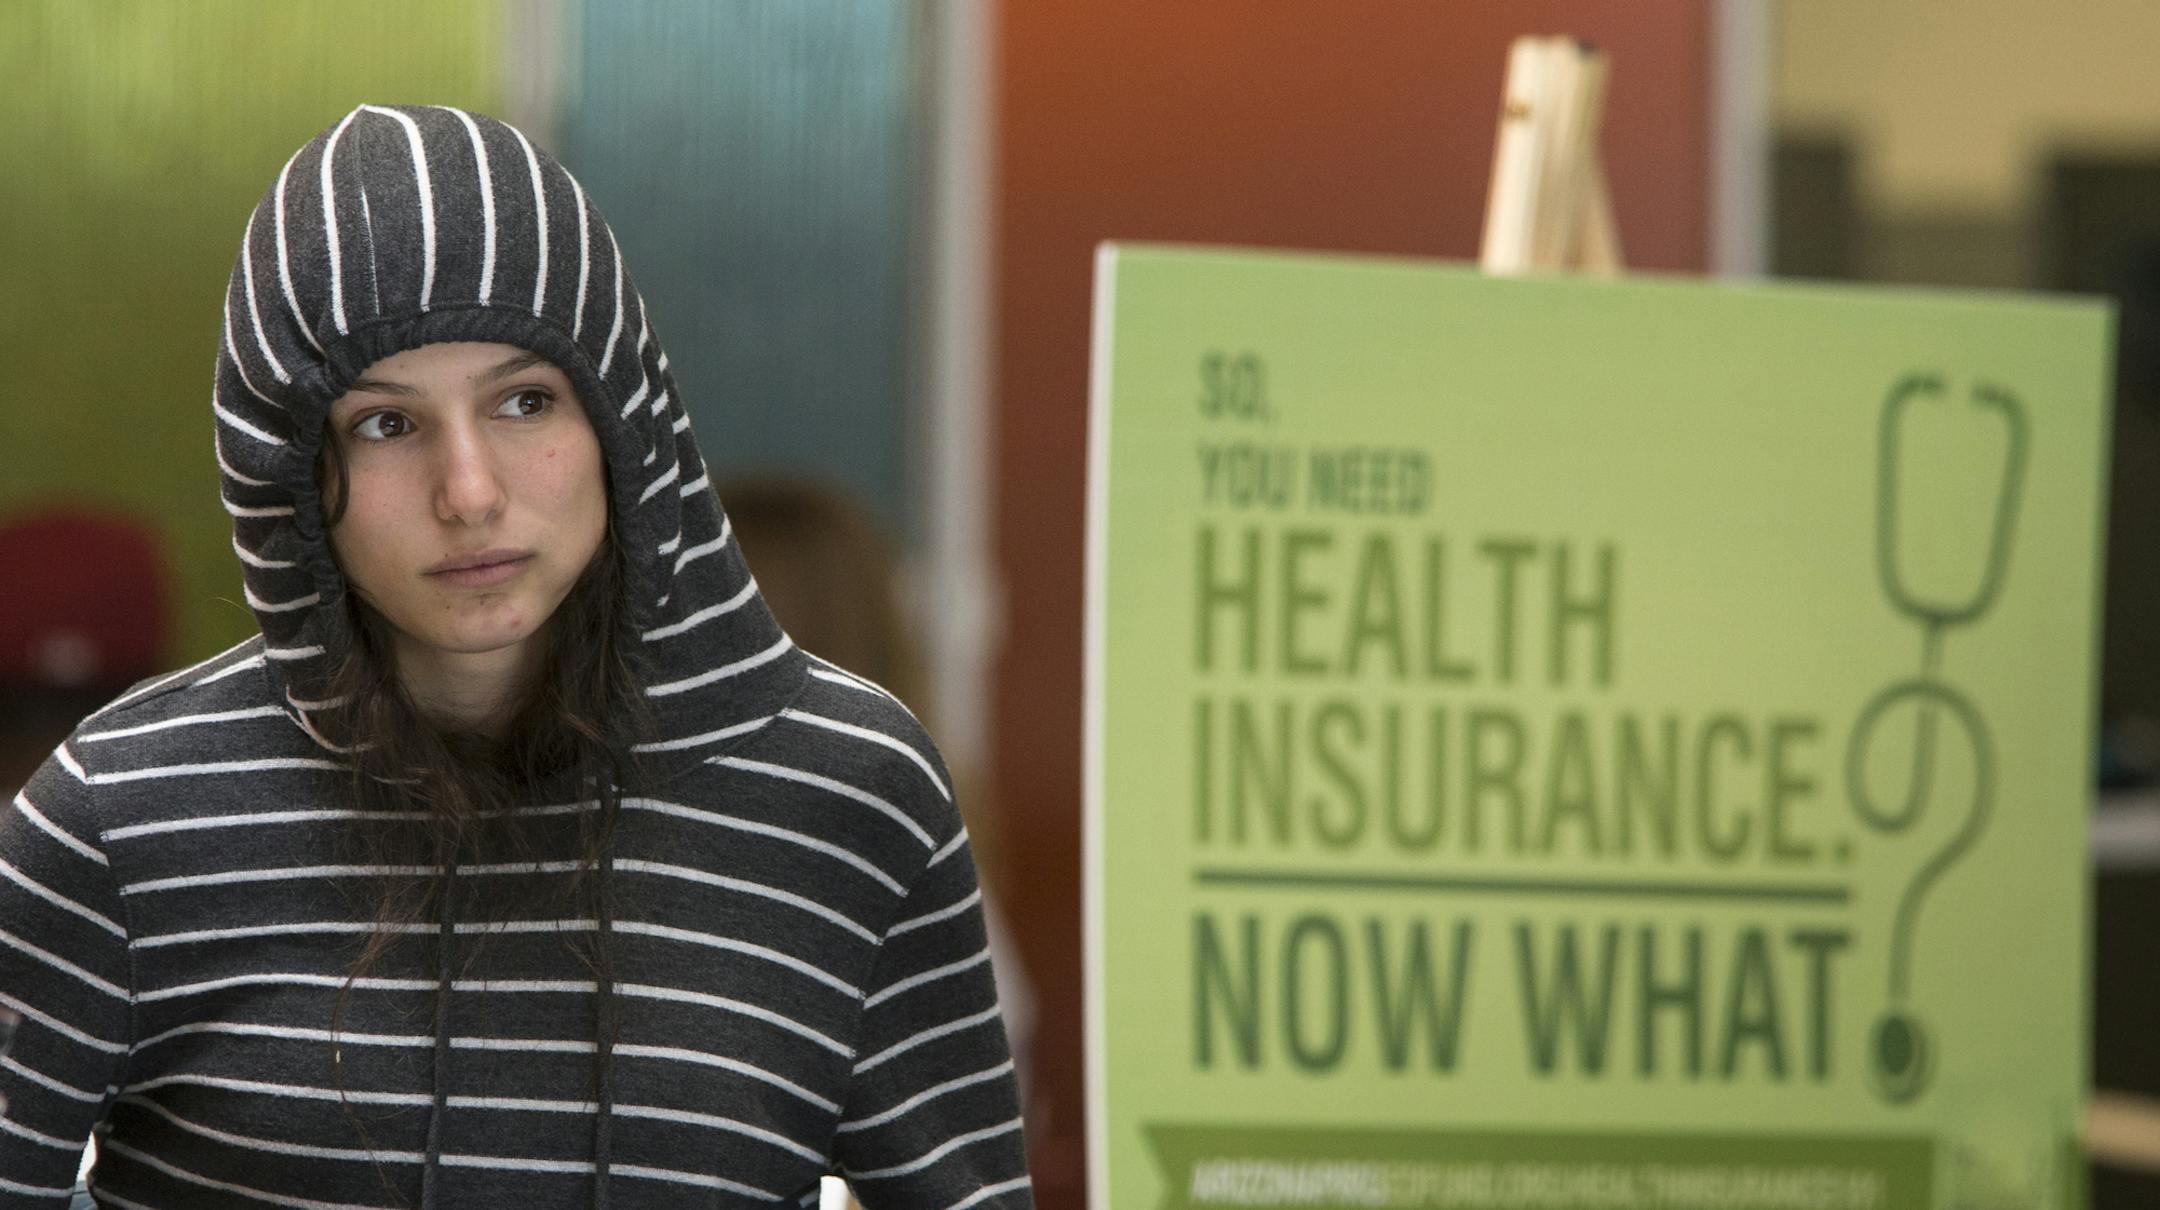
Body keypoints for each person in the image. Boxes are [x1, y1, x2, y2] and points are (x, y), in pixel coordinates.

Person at [0, 105, 1031, 1208]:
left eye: (525, 400)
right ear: (288, 475)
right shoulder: (125, 816)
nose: (472, 491)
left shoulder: (848, 795)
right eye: (386, 426)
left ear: (623, 421)